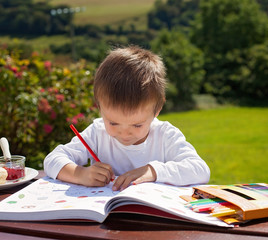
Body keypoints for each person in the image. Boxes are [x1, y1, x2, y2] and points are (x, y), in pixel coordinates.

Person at [44, 45, 210, 191]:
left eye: (137, 125)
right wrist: (81, 174)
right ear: (99, 107)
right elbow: (52, 160)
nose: (124, 134)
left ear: (157, 110)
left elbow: (200, 170)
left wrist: (151, 171)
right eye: (113, 123)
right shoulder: (97, 132)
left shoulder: (165, 136)